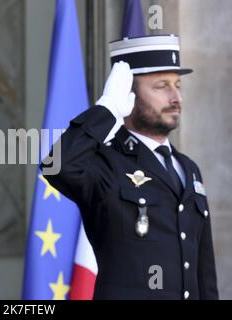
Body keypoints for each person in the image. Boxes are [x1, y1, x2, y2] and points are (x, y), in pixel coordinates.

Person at [42, 35, 218, 299]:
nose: (176, 97)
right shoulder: (106, 161)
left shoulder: (188, 169)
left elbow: (204, 273)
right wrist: (107, 109)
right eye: (161, 86)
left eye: (177, 85)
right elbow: (57, 165)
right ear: (129, 94)